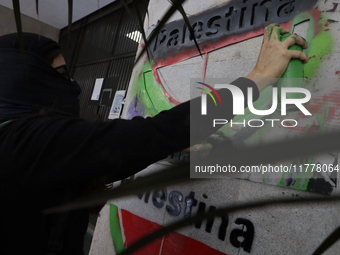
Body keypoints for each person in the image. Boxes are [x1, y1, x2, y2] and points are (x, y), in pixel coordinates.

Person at [0, 24, 308, 255]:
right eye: (62, 74)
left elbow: (111, 152)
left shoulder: (18, 140)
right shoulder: (25, 142)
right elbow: (150, 135)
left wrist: (168, 142)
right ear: (27, 78)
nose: (72, 85)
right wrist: (259, 77)